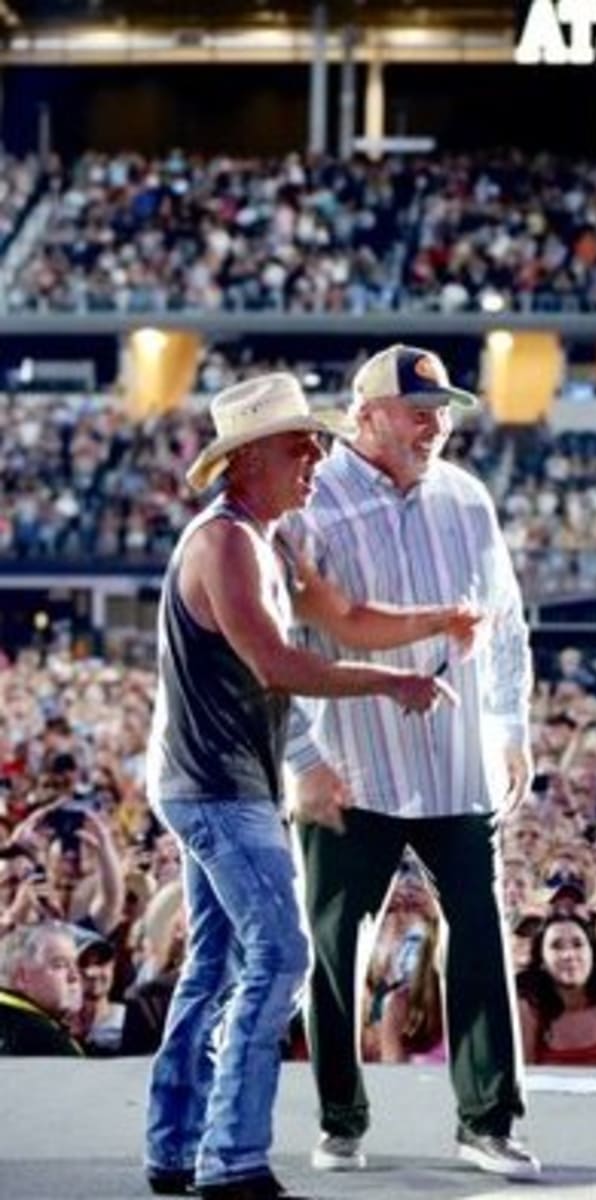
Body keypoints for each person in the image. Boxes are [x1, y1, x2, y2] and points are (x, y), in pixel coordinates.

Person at [143, 372, 470, 1200]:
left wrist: (429, 626)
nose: (318, 460)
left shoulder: (257, 539)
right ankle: (231, 1159)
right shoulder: (224, 543)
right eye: (301, 446)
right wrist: (390, 685)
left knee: (214, 964)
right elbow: (279, 664)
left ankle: (175, 1147)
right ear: (249, 459)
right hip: (218, 789)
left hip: (222, 783)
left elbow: (341, 620)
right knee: (281, 952)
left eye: (321, 444)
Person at [282, 344, 540, 1181]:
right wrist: (302, 756)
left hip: (457, 762)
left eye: (443, 410)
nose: (436, 424)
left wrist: (511, 726)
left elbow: (504, 621)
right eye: (418, 410)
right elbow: (282, 645)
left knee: (481, 937)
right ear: (366, 415)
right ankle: (340, 1118)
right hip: (349, 760)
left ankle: (488, 1120)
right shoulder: (307, 502)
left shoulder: (467, 497)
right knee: (333, 950)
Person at [517, 911, 596, 1067]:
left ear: (593, 954)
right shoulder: (529, 1011)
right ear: (542, 960)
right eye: (556, 946)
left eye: (578, 945)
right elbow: (523, 1082)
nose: (568, 955)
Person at [0, 920, 84, 1056]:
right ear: (22, 977)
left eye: (76, 965)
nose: (74, 976)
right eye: (60, 965)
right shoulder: (46, 1041)